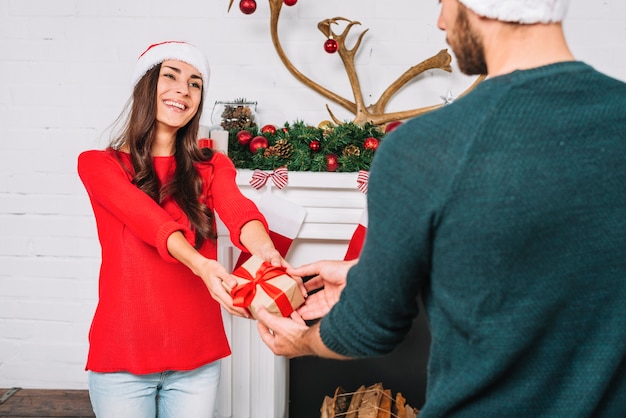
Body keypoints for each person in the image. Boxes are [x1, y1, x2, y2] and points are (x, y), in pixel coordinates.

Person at [255, 0, 626, 416]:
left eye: (444, 2)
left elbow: (369, 330)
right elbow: (547, 266)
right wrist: (370, 275)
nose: (440, 21)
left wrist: (301, 340)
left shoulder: (425, 147)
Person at [78, 40, 284, 418]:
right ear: (145, 86)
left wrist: (265, 250)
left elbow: (238, 210)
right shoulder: (99, 165)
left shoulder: (211, 165)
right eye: (170, 77)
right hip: (122, 359)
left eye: (195, 83)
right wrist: (202, 265)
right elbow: (148, 219)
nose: (183, 90)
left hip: (196, 363)